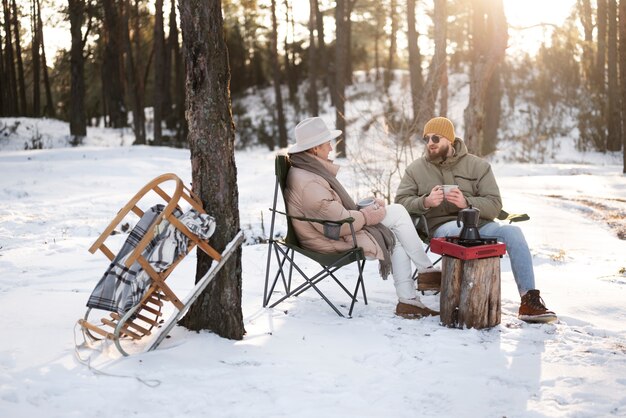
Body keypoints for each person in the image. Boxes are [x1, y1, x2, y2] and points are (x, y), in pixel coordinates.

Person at [395, 116, 557, 323]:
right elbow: (400, 202)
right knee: (458, 230)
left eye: (435, 138)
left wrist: (466, 203)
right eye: (426, 139)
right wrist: (425, 202)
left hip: (481, 225)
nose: (430, 143)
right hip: (443, 228)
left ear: (450, 140)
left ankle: (529, 301)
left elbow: (495, 204)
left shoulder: (478, 166)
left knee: (513, 233)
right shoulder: (416, 169)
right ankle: (465, 297)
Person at [285, 117, 439, 319]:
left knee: (394, 235)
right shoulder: (309, 181)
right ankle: (426, 273)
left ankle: (409, 300)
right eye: (327, 144)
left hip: (330, 230)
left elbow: (332, 211)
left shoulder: (308, 171)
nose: (331, 149)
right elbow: (339, 224)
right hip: (330, 238)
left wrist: (364, 207)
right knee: (399, 214)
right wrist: (367, 215)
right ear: (314, 149)